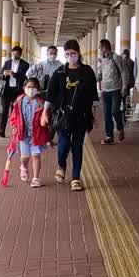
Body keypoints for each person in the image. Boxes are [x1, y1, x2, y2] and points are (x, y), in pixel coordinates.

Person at [43, 40, 98, 191]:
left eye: (73, 53)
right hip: (62, 116)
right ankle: (61, 164)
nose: (70, 56)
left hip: (82, 115)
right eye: (67, 54)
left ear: (79, 53)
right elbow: (50, 94)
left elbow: (93, 94)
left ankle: (75, 178)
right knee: (63, 145)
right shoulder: (60, 72)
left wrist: (94, 113)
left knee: (77, 146)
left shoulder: (87, 71)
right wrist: (44, 113)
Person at [6, 77, 49, 188]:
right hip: (23, 134)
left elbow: (47, 117)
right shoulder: (19, 101)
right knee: (25, 156)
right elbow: (14, 117)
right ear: (24, 88)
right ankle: (23, 166)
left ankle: (36, 178)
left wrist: (46, 120)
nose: (31, 89)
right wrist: (14, 126)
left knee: (36, 155)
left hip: (37, 134)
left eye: (34, 87)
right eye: (28, 87)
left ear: (38, 89)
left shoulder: (41, 103)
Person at [95, 39, 125, 145]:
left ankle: (120, 128)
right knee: (107, 114)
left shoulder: (116, 57)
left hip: (115, 90)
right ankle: (109, 136)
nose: (99, 50)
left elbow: (123, 72)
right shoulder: (101, 60)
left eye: (100, 48)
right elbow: (99, 75)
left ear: (105, 48)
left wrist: (124, 86)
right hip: (105, 91)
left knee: (114, 111)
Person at [0, 45, 30, 138]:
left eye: (17, 54)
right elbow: (1, 75)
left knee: (16, 111)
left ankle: (16, 129)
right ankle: (1, 130)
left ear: (20, 54)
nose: (15, 56)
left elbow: (24, 77)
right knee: (4, 111)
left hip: (17, 91)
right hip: (6, 90)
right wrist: (4, 74)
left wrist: (13, 74)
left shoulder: (25, 64)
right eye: (13, 54)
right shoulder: (7, 63)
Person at [119, 48, 136, 125]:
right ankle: (127, 105)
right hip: (129, 81)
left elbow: (125, 72)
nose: (123, 55)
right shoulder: (131, 61)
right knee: (127, 94)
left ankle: (125, 106)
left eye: (124, 53)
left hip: (126, 81)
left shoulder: (126, 62)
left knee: (125, 95)